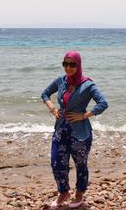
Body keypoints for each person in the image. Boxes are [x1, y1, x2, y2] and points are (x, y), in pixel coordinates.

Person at [41, 51, 108, 209]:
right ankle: (64, 192)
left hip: (80, 133)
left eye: (72, 64)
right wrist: (53, 109)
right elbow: (45, 94)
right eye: (65, 64)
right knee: (56, 162)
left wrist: (84, 115)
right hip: (61, 129)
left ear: (78, 65)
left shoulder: (88, 85)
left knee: (80, 164)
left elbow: (103, 103)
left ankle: (79, 194)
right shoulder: (60, 81)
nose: (68, 68)